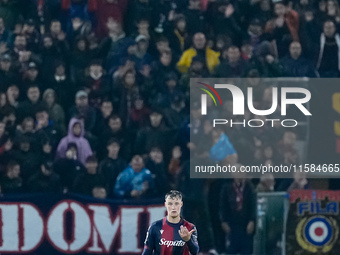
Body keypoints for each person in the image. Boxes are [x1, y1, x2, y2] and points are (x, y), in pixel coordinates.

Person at [142, 190, 199, 255]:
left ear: (181, 204)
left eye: (176, 204)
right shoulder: (155, 227)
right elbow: (147, 252)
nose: (173, 207)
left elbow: (195, 251)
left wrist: (188, 240)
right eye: (170, 204)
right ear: (165, 205)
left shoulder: (190, 227)